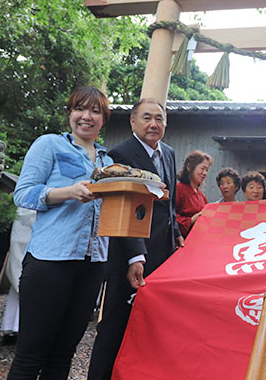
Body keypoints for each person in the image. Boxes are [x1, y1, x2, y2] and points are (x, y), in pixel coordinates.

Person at [8, 86, 113, 379]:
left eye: (95, 111)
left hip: (93, 264)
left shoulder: (108, 163)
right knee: (31, 354)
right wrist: (67, 192)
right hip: (49, 261)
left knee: (63, 354)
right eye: (80, 109)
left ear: (103, 119)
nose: (87, 117)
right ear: (69, 113)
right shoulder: (50, 145)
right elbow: (23, 194)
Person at [88, 98, 180, 380]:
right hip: (128, 253)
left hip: (162, 253)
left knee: (149, 324)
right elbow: (123, 208)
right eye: (147, 118)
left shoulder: (169, 153)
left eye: (159, 119)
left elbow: (169, 206)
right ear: (133, 122)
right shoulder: (120, 154)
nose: (154, 124)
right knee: (115, 322)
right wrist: (135, 255)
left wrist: (176, 237)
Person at [1, 207, 36, 345]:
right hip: (24, 233)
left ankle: (13, 327)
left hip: (27, 231)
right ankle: (14, 328)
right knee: (22, 281)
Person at [175, 150, 212, 237]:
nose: (205, 173)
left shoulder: (201, 196)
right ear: (189, 167)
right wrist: (191, 220)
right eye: (202, 168)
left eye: (207, 170)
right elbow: (169, 215)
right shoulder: (178, 189)